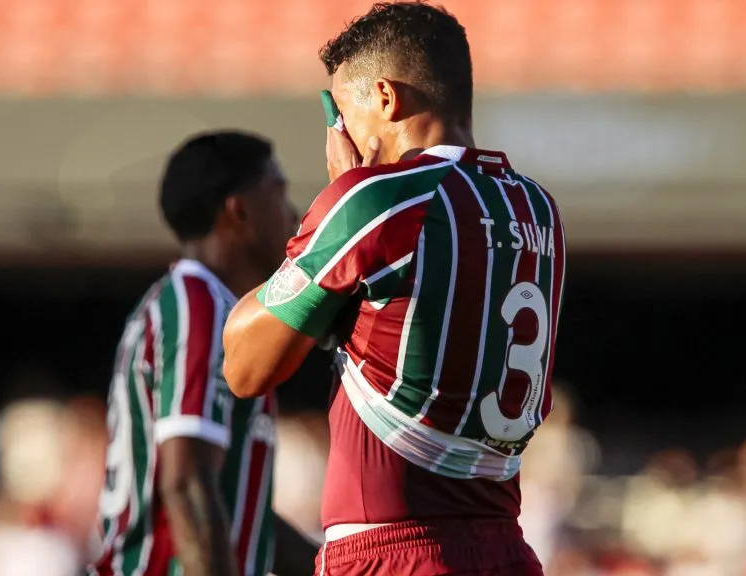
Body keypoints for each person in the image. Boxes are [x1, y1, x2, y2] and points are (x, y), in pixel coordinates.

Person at [222, 2, 566, 575]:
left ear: (384, 97)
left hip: (390, 547)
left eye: (341, 112)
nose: (341, 133)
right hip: (506, 546)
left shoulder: (376, 199)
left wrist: (343, 195)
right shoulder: (537, 206)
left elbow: (244, 365)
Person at [90, 131, 317, 576]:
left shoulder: (194, 305)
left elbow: (239, 519)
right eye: (280, 192)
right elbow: (187, 483)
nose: (294, 215)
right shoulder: (199, 305)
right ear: (239, 210)